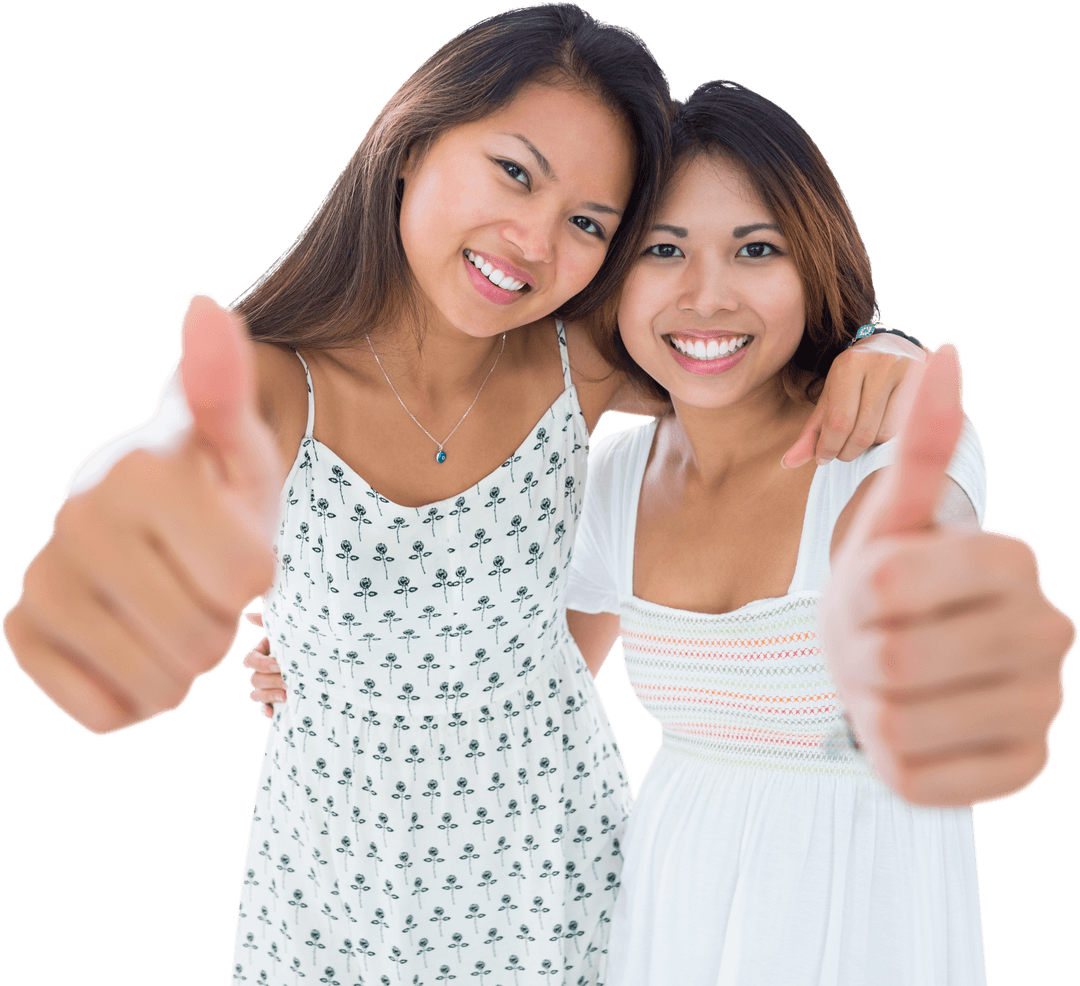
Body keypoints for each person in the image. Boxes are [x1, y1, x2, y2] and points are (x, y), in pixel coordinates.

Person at [1, 8, 931, 985]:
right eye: (514, 172)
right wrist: (121, 517)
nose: (532, 239)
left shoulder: (588, 361)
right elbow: (178, 443)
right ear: (411, 143)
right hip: (338, 880)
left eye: (588, 224)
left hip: (555, 871)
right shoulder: (275, 379)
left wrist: (883, 346)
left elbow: (752, 349)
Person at [555, 80, 1074, 985]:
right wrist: (349, 661)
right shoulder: (607, 484)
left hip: (866, 936)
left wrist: (948, 625)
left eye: (756, 249)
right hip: (663, 915)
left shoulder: (892, 438)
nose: (706, 295)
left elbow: (915, 549)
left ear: (814, 264)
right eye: (662, 248)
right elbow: (526, 690)